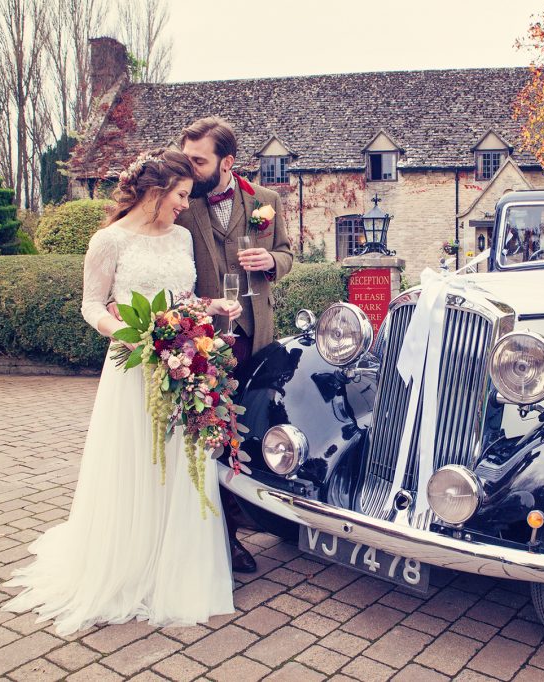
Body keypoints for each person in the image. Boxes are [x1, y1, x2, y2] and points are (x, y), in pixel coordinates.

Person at [2, 149, 241, 636]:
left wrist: (210, 306)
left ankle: (172, 562)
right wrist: (126, 332)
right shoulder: (107, 241)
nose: (183, 205)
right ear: (156, 191)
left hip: (180, 366)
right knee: (135, 460)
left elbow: (181, 300)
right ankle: (127, 561)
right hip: (132, 367)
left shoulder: (180, 236)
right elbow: (92, 305)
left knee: (177, 462)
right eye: (179, 196)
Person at [175, 116, 294, 574]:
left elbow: (287, 253)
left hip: (254, 338)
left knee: (250, 430)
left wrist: (272, 261)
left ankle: (256, 515)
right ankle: (222, 539)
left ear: (227, 162)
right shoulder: (183, 204)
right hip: (202, 344)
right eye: (187, 158)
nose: (190, 168)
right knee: (211, 436)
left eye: (198, 161)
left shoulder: (266, 202)